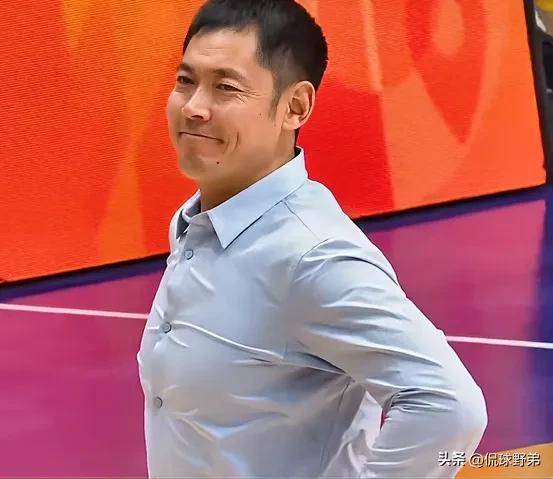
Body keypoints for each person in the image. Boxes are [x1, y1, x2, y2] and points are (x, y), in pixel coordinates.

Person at [137, 1, 488, 477]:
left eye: (225, 87)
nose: (194, 107)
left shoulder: (314, 257)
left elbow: (450, 408)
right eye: (185, 81)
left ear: (295, 107)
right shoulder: (195, 225)